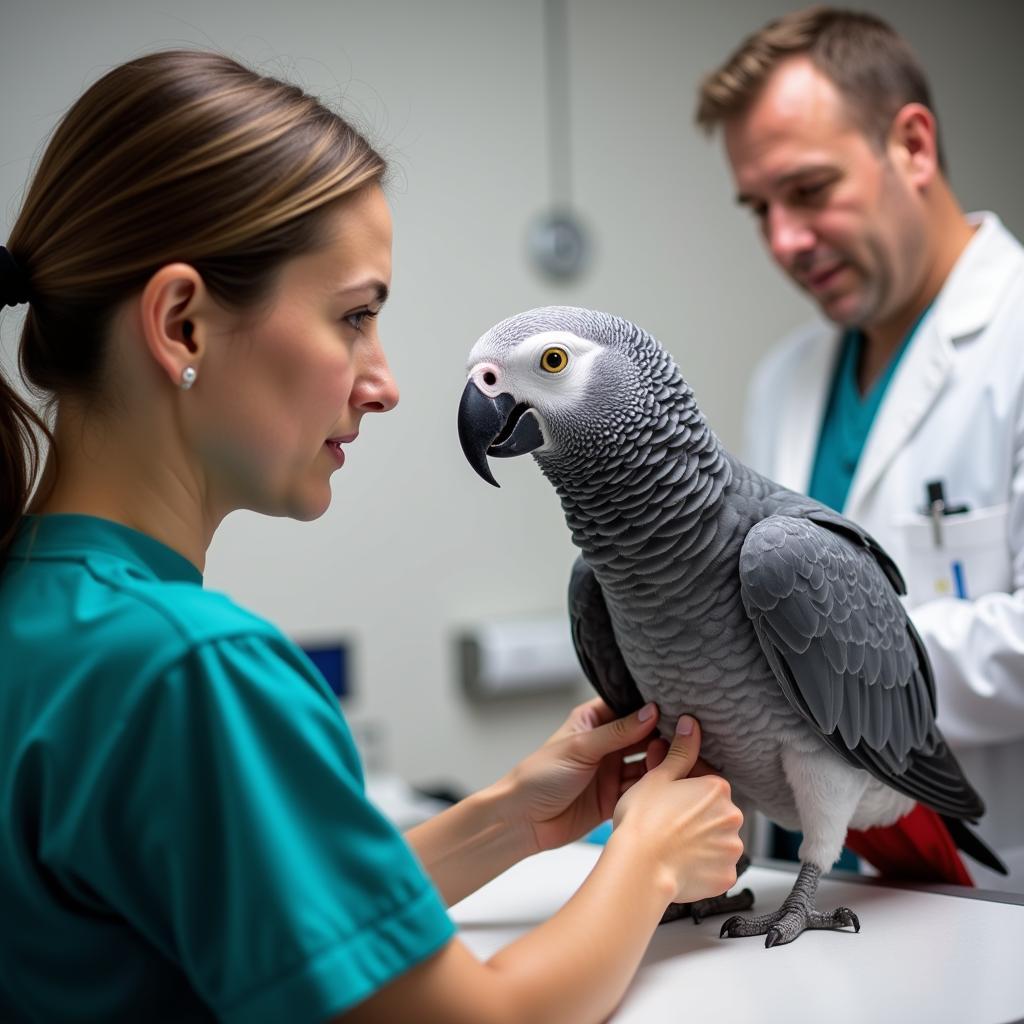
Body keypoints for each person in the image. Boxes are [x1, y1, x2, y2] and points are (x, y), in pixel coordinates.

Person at [0, 50, 744, 1022]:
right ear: (181, 324)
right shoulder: (189, 670)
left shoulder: (42, 607)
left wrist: (502, 820)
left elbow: (261, 920)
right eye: (354, 316)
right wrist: (644, 860)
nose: (385, 383)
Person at [695, 6, 1024, 890]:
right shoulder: (786, 377)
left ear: (913, 147)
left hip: (989, 886)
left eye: (807, 191)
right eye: (758, 208)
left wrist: (818, 638)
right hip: (810, 873)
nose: (783, 242)